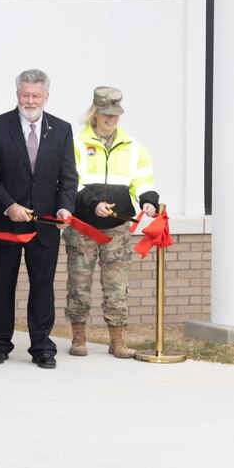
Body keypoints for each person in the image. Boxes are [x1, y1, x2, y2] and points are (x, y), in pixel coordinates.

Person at [0, 69, 78, 369]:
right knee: (1, 284)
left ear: (46, 97)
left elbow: (68, 179)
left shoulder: (61, 130)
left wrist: (65, 208)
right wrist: (8, 205)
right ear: (17, 95)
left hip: (45, 226)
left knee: (42, 285)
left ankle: (42, 346)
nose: (30, 100)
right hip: (5, 223)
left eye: (36, 95)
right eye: (25, 94)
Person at [64, 86, 158, 358]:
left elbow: (142, 181)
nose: (111, 118)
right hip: (83, 228)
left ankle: (117, 340)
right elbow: (72, 183)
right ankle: (78, 337)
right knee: (78, 284)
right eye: (106, 113)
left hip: (117, 229)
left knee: (117, 285)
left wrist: (148, 200)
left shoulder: (133, 147)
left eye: (115, 113)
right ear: (95, 113)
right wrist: (94, 204)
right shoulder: (76, 144)